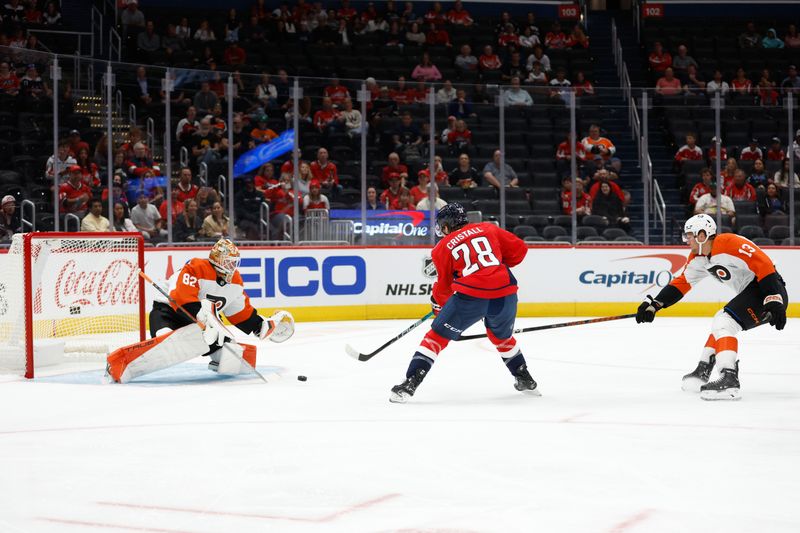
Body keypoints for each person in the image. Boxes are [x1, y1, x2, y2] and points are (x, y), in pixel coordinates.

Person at [389, 203, 537, 403]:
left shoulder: (441, 247)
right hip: (506, 294)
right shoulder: (488, 228)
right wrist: (496, 263)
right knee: (501, 338)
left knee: (435, 338)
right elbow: (519, 250)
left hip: (471, 297)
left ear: (447, 226)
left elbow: (444, 287)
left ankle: (409, 383)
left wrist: (439, 307)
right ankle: (524, 378)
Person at [635, 214, 787, 400]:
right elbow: (681, 283)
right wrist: (655, 304)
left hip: (767, 289)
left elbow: (762, 262)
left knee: (724, 321)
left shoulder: (728, 242)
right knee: (722, 325)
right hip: (757, 292)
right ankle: (703, 370)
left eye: (689, 235)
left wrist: (774, 298)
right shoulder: (698, 258)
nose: (686, 239)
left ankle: (729, 377)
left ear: (702, 235)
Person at [106, 239, 294, 383]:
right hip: (169, 313)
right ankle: (131, 360)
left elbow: (241, 314)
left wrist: (264, 326)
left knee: (234, 353)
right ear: (216, 259)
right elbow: (182, 298)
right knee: (166, 339)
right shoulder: (196, 267)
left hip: (201, 325)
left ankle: (218, 357)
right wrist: (206, 320)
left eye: (234, 263)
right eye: (228, 262)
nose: (232, 267)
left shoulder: (235, 282)